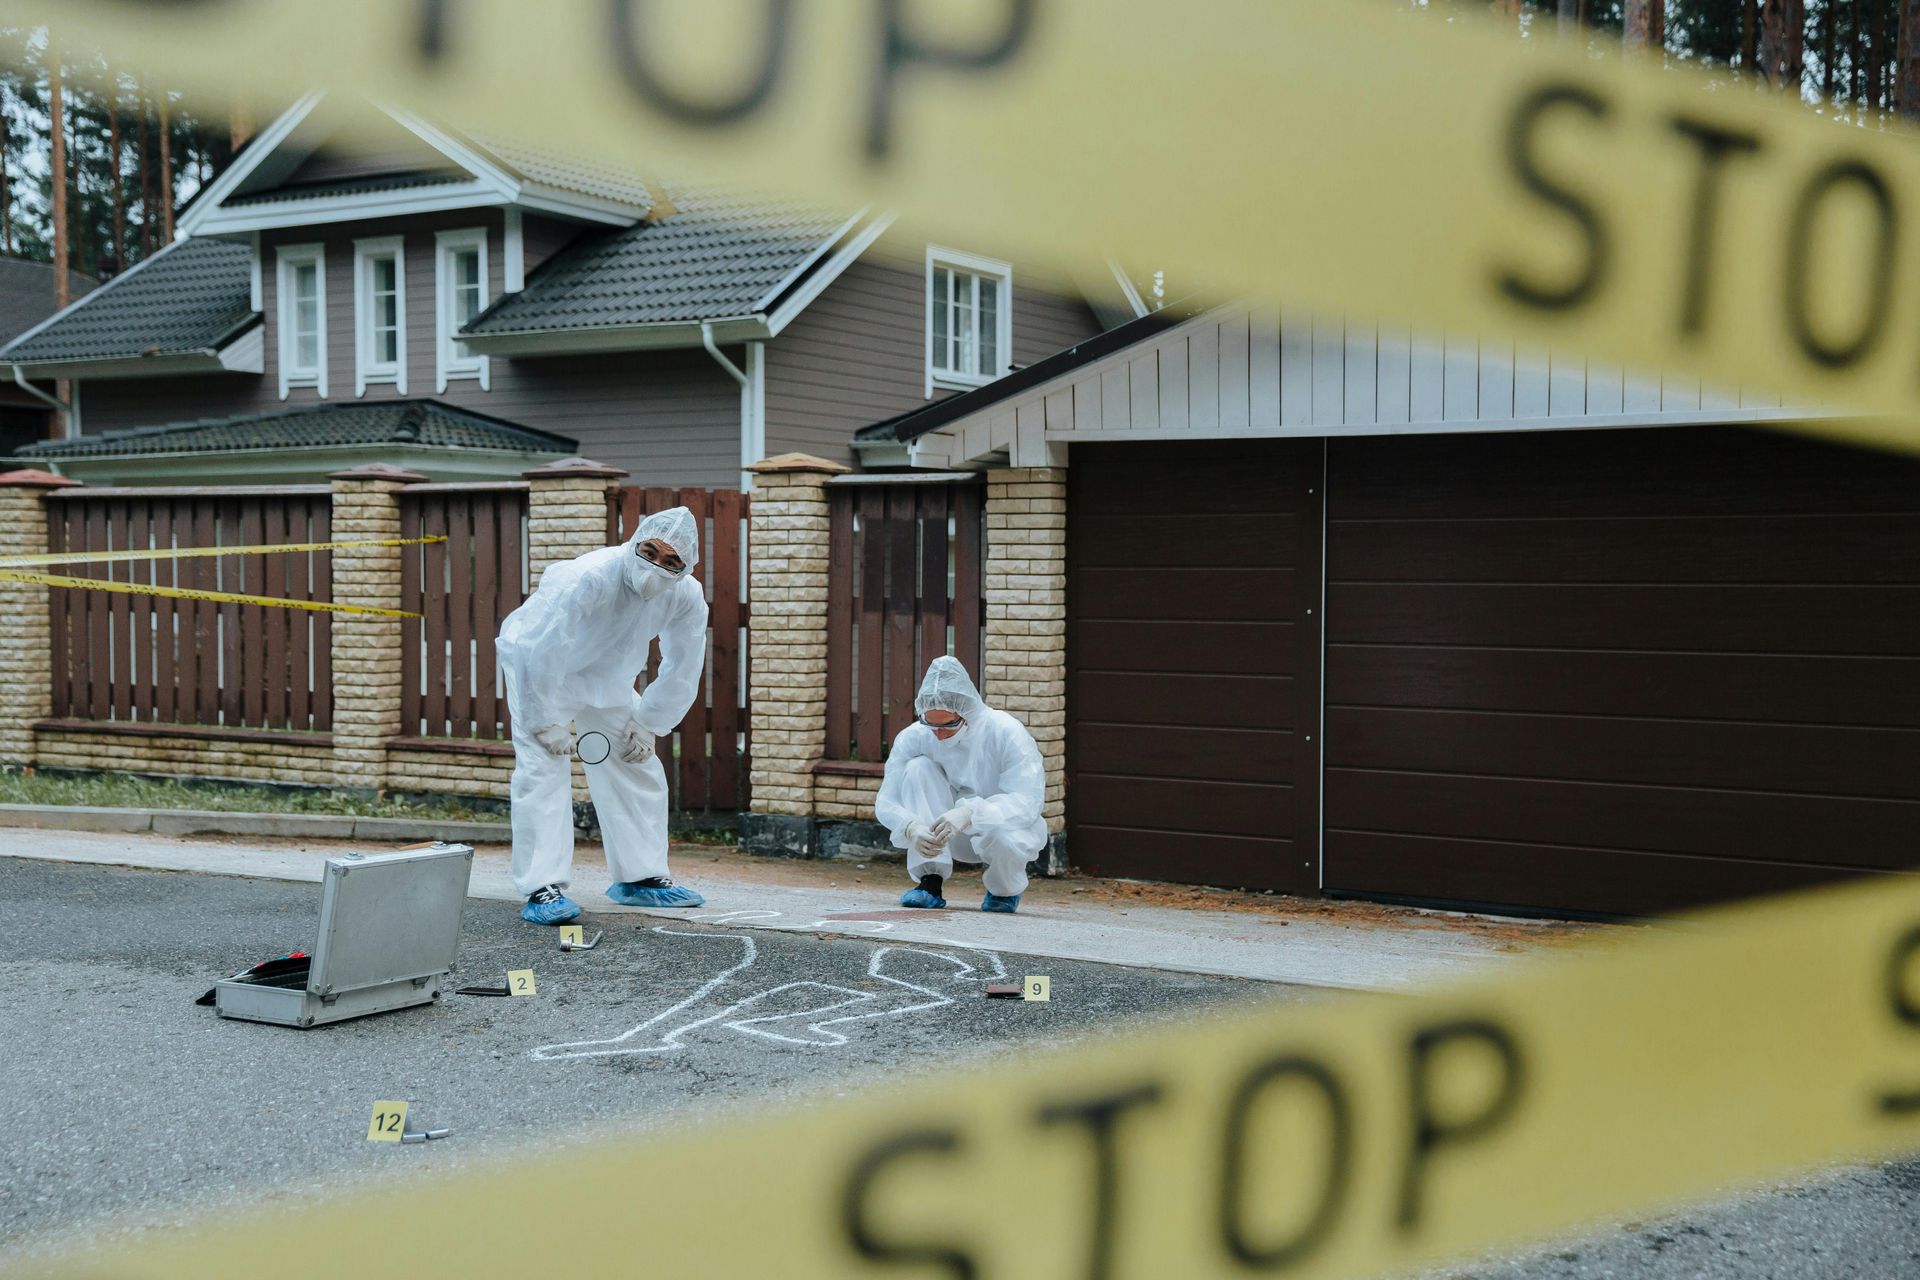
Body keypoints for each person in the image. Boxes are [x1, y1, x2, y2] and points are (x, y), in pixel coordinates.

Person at [495, 507, 709, 925]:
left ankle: (641, 877)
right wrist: (543, 719)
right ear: (634, 544)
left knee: (636, 762)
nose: (657, 566)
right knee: (543, 767)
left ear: (685, 568)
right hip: (539, 669)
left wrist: (649, 722)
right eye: (649, 551)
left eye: (671, 562)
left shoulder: (685, 594)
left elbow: (684, 662)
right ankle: (543, 885)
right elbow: (543, 647)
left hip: (608, 674)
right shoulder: (587, 577)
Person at [874, 656, 1047, 913]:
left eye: (949, 725)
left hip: (998, 832)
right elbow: (886, 800)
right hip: (942, 833)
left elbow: (1026, 801)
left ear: (968, 712)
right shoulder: (915, 737)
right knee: (917, 767)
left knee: (1005, 834)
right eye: (931, 725)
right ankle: (929, 882)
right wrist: (909, 826)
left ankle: (1003, 892)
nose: (939, 734)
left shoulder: (1006, 732)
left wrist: (970, 813)